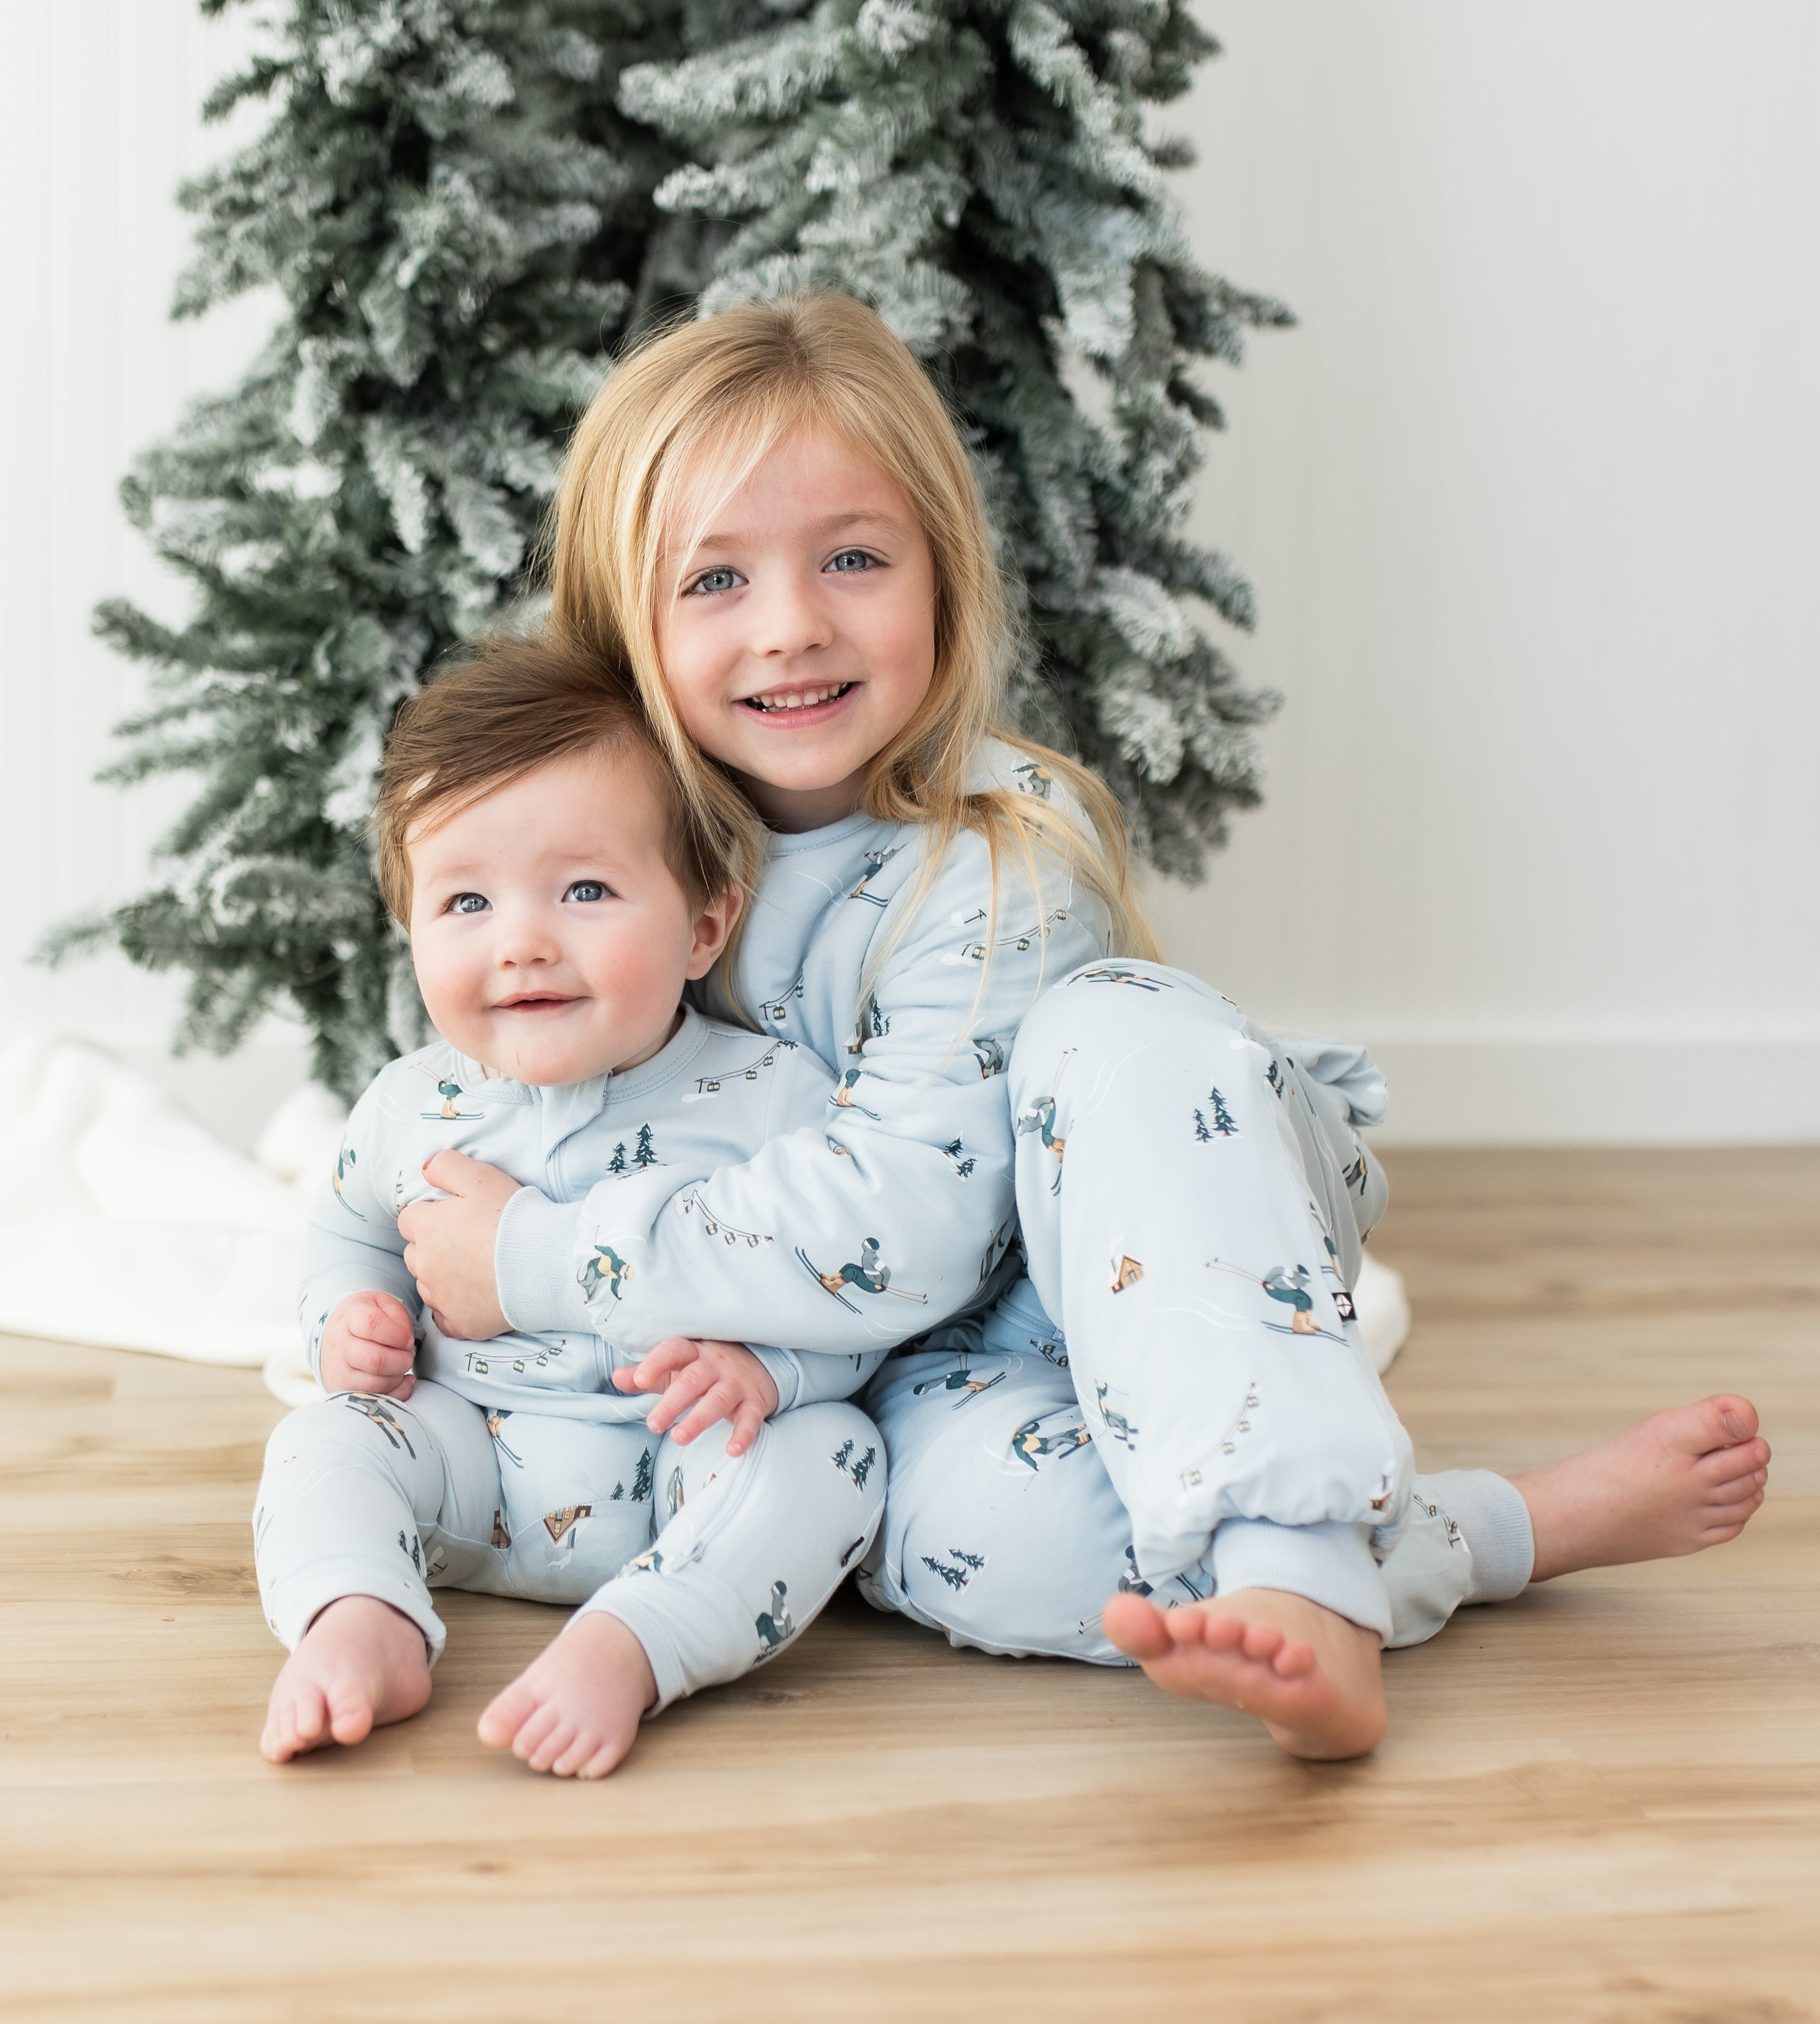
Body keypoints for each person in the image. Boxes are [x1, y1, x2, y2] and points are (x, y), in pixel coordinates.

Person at [396, 295, 1770, 1761]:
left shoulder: (995, 855)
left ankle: (1302, 1572)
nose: (792, 623)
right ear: (623, 622)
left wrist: (538, 1260)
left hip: (1129, 1262)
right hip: (894, 1367)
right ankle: (1496, 1532)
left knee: (1110, 1031)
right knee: (960, 1542)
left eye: (853, 558)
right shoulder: (625, 865)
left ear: (943, 575)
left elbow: (900, 1224)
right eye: (715, 579)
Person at [254, 638, 887, 1776]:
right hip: (472, 1459)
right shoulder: (411, 1104)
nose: (523, 940)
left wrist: (778, 1377)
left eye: (586, 889)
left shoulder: (769, 1098)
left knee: (832, 1453)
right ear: (412, 932)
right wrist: (347, 1323)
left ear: (704, 925)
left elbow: (848, 1285)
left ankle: (638, 1644)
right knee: (322, 1438)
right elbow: (345, 1236)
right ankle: (362, 1617)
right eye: (464, 901)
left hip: (688, 1469)